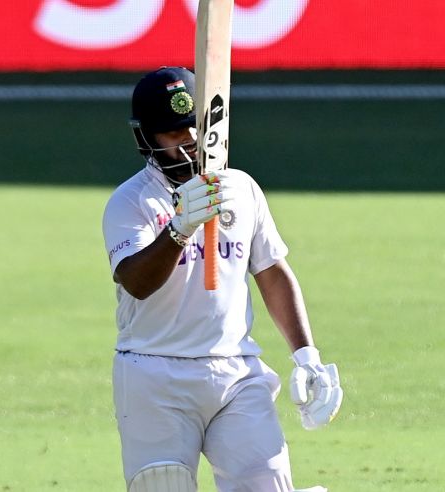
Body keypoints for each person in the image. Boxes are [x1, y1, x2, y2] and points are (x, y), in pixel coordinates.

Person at [102, 66, 343, 492]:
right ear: (146, 139)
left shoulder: (242, 188)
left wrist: (306, 355)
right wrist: (180, 228)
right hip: (154, 374)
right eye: (172, 134)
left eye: (192, 128)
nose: (187, 142)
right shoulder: (131, 202)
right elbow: (136, 282)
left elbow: (271, 270)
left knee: (266, 485)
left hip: (235, 373)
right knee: (163, 484)